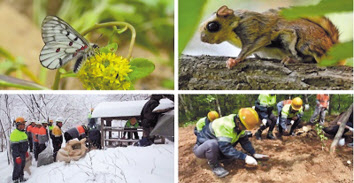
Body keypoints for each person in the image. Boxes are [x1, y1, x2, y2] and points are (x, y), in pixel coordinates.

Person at [194, 108, 268, 178]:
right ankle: (215, 166)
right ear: (239, 122)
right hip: (202, 148)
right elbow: (225, 148)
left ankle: (222, 157)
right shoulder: (225, 125)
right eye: (244, 127)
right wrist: (244, 157)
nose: (245, 130)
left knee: (232, 142)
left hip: (218, 145)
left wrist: (253, 153)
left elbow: (244, 141)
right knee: (212, 144)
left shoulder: (239, 124)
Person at [10, 117, 29, 182]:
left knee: (22, 166)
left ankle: (21, 177)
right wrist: (17, 156)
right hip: (18, 154)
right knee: (17, 167)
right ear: (17, 125)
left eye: (23, 124)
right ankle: (15, 179)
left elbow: (26, 143)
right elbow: (14, 147)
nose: (23, 126)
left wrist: (26, 151)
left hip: (23, 153)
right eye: (21, 124)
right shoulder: (14, 133)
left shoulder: (23, 132)